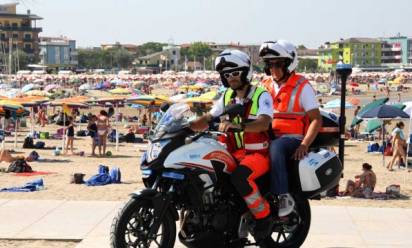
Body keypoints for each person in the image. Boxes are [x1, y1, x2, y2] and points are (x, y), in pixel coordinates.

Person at [190, 50, 274, 241]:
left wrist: (239, 126)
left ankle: (264, 216)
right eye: (227, 75)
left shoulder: (262, 95)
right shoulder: (227, 96)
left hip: (257, 155)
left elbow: (264, 123)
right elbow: (209, 116)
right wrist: (188, 126)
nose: (231, 78)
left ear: (246, 72)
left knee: (240, 178)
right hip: (232, 153)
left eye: (235, 73)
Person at [259, 40, 322, 217]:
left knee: (276, 147)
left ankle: (283, 195)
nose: (273, 69)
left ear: (289, 64)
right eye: (269, 64)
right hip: (266, 134)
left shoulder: (302, 86)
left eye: (278, 64)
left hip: (291, 138)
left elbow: (316, 120)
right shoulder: (265, 84)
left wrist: (304, 145)